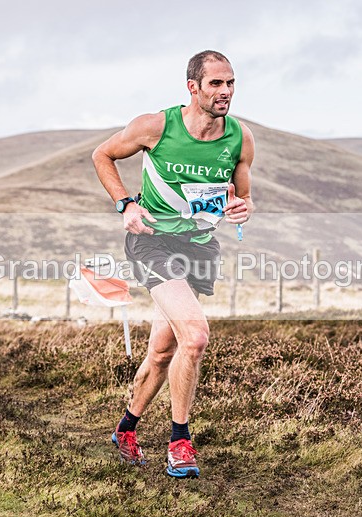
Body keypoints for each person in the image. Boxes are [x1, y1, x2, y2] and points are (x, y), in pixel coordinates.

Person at [92, 50, 255, 478]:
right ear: (193, 88)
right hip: (153, 242)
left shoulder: (240, 137)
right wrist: (125, 203)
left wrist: (242, 207)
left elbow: (242, 193)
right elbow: (102, 155)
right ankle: (179, 442)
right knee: (196, 337)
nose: (226, 92)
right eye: (216, 84)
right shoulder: (156, 127)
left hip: (199, 248)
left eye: (231, 83)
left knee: (164, 350)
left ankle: (125, 428)